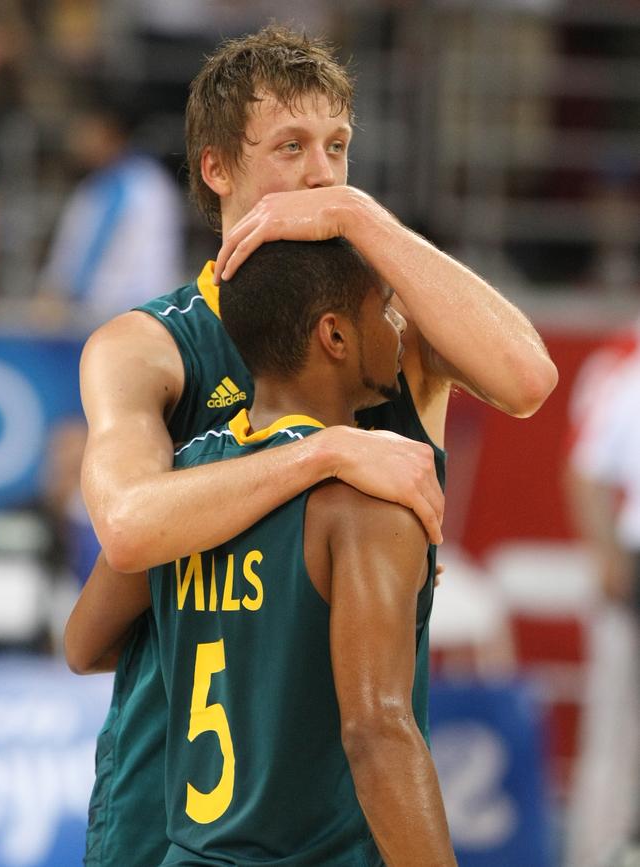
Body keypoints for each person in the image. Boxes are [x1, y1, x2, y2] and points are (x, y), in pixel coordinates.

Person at [65, 26, 557, 867]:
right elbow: (128, 529)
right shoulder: (147, 346)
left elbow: (527, 378)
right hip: (173, 800)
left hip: (348, 815)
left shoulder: (388, 329)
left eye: (339, 148)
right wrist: (325, 454)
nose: (321, 173)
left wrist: (359, 216)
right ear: (217, 169)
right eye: (290, 147)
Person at [75, 237, 459, 865]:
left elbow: (83, 645)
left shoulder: (183, 485)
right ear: (334, 336)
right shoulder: (368, 505)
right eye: (386, 308)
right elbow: (377, 735)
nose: (399, 326)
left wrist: (240, 632)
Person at [564, 325, 640, 867]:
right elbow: (585, 469)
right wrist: (609, 558)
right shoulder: (626, 369)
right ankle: (597, 853)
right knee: (616, 728)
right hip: (634, 565)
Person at [35, 102, 184, 327]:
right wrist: (55, 290)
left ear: (111, 134)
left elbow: (152, 256)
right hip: (87, 315)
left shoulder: (146, 184)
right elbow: (74, 247)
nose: (80, 141)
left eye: (90, 132)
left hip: (133, 311)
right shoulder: (93, 187)